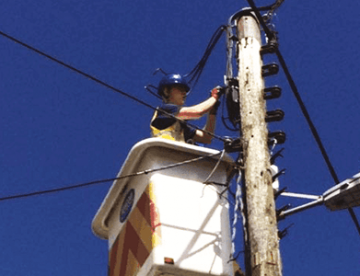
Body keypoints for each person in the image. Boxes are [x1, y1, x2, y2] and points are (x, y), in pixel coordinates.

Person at [150, 73, 222, 144]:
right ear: (166, 91)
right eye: (180, 89)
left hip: (173, 153)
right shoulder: (165, 110)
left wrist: (212, 112)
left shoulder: (178, 126)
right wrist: (214, 97)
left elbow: (206, 138)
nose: (184, 93)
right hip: (163, 151)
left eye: (185, 90)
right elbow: (197, 112)